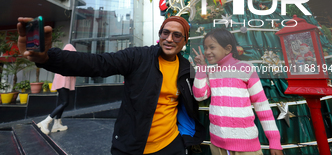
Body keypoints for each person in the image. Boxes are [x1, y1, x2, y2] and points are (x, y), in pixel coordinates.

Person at [17, 16, 205, 155]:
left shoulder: (187, 69)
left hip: (171, 146)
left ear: (185, 41)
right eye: (166, 32)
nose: (170, 38)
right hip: (131, 147)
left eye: (177, 35)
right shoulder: (138, 57)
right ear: (160, 35)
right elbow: (97, 63)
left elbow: (198, 98)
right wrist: (48, 57)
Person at [192, 28, 283, 155]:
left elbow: (262, 106)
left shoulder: (246, 68)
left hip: (246, 147)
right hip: (217, 146)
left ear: (228, 49)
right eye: (205, 48)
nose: (207, 52)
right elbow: (199, 95)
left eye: (212, 47)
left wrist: (274, 142)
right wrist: (201, 68)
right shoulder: (211, 72)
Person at [37, 44, 77, 135]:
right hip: (63, 83)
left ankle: (57, 124)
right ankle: (46, 121)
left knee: (63, 102)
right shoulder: (66, 61)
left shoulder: (63, 60)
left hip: (62, 83)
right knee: (65, 102)